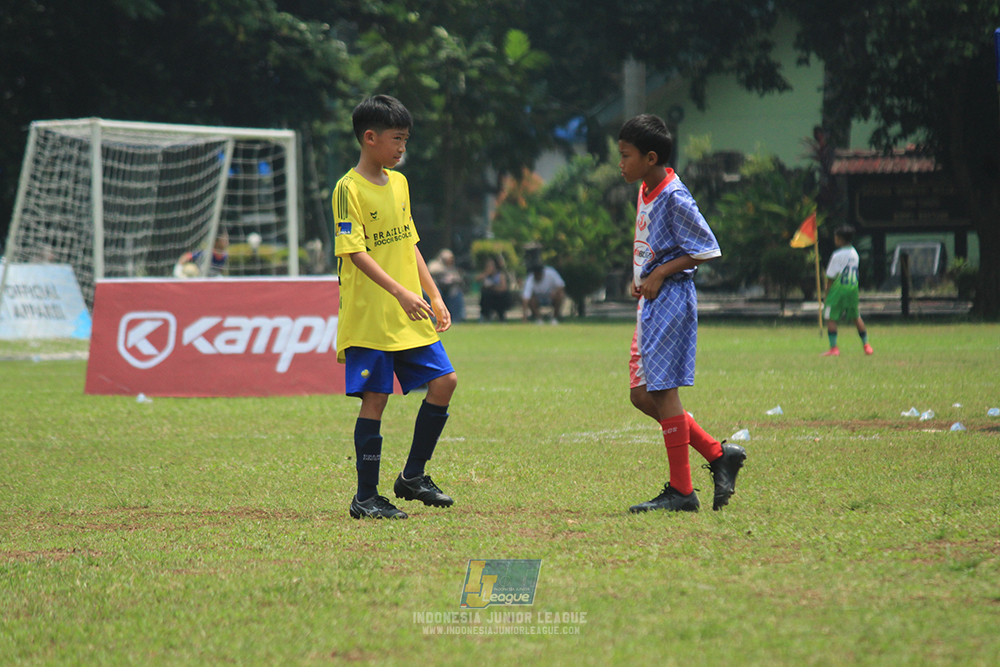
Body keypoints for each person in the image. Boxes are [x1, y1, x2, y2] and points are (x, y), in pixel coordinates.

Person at [332, 94, 458, 520]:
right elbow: (355, 253)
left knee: (445, 383)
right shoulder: (348, 189)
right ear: (370, 138)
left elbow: (409, 243)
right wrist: (400, 293)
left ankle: (412, 478)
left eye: (405, 139)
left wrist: (432, 293)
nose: (402, 147)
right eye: (396, 139)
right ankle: (365, 497)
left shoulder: (400, 183)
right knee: (376, 398)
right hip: (372, 317)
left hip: (409, 313)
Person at [617, 113, 746, 514]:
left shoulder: (674, 194)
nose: (620, 163)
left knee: (662, 391)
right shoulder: (645, 187)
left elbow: (707, 247)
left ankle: (681, 490)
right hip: (650, 302)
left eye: (626, 155)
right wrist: (640, 274)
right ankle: (716, 452)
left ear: (650, 157)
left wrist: (658, 273)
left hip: (671, 299)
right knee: (642, 395)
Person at [821, 225, 873, 357]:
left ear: (839, 239)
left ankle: (834, 348)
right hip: (852, 288)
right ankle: (866, 345)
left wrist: (826, 294)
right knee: (856, 316)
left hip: (838, 289)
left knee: (830, 316)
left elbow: (831, 277)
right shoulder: (855, 254)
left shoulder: (837, 255)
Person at [427, 248, 466, 322]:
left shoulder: (452, 267)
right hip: (435, 287)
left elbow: (457, 277)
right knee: (437, 294)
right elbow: (432, 270)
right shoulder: (435, 264)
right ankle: (434, 318)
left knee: (456, 294)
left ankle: (456, 317)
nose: (450, 260)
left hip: (448, 289)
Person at [476, 254, 509, 321]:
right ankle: (485, 316)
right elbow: (477, 279)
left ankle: (501, 317)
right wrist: (486, 273)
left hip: (499, 297)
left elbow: (503, 288)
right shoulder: (486, 275)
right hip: (488, 298)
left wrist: (492, 287)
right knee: (485, 295)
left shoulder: (500, 275)